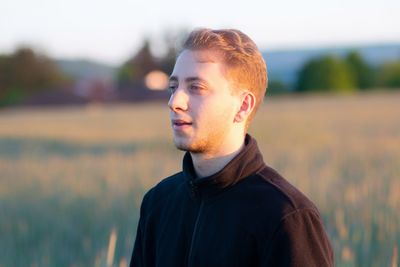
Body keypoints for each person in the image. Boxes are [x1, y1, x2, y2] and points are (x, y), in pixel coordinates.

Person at [129, 28, 334, 267]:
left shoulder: (287, 217)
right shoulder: (158, 202)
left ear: (243, 106)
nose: (174, 102)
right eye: (173, 87)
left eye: (196, 87)